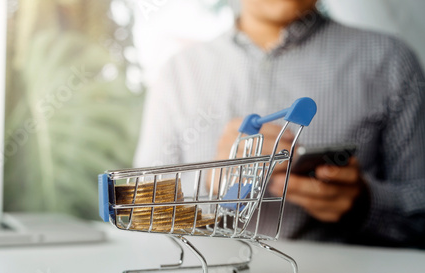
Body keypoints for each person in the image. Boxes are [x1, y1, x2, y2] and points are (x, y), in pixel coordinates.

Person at [134, 0, 425, 248]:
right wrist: (210, 182)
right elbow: (139, 208)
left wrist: (366, 204)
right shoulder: (179, 73)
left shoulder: (390, 61)